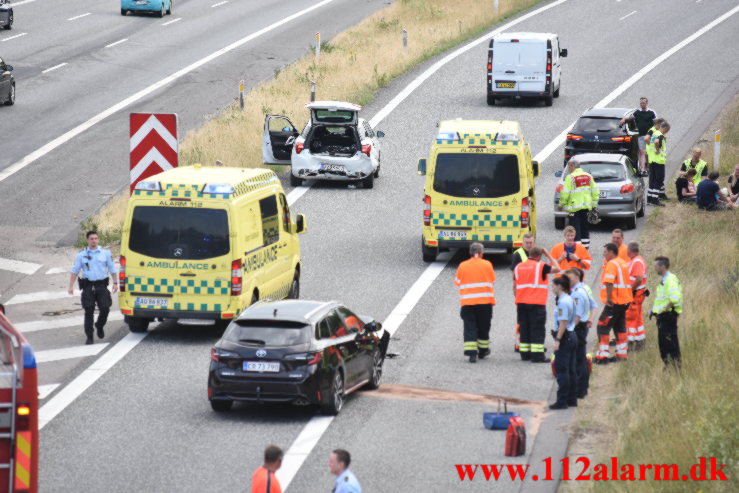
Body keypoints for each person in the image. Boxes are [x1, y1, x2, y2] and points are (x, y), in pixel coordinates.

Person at [68, 231, 118, 345]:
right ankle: (89, 336)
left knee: (105, 308)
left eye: (96, 238)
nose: (94, 241)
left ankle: (99, 325)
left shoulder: (105, 253)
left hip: (101, 285)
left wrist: (115, 283)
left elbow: (112, 268)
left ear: (98, 240)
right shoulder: (81, 255)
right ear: (87, 240)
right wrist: (70, 286)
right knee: (88, 311)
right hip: (88, 286)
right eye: (91, 239)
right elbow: (75, 271)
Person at [514, 246, 560, 363]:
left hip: (521, 302)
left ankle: (525, 354)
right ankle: (537, 356)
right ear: (539, 256)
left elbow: (515, 284)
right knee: (537, 329)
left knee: (524, 328)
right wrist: (548, 254)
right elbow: (557, 268)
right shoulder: (541, 266)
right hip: (536, 303)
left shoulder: (518, 267)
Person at [454, 243, 495, 363]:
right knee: (484, 327)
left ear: (470, 253)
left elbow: (457, 282)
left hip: (468, 303)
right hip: (485, 303)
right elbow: (492, 280)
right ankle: (483, 351)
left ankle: (472, 354)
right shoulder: (487, 264)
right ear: (481, 253)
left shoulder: (463, 265)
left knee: (469, 327)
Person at [595, 243, 633, 364]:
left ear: (611, 252)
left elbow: (609, 282)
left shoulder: (611, 264)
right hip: (624, 301)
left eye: (605, 252)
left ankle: (603, 356)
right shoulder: (622, 262)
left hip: (615, 302)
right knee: (619, 326)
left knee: (602, 325)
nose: (603, 254)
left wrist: (609, 298)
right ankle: (622, 354)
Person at [565, 268, 597, 399]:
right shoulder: (583, 289)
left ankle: (580, 389)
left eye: (570, 279)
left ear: (576, 277)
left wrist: (570, 329)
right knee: (580, 358)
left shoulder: (577, 293)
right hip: (582, 327)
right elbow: (594, 305)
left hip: (578, 328)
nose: (568, 281)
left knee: (578, 359)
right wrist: (590, 319)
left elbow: (577, 315)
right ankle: (581, 388)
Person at [549, 276, 578, 410]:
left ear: (560, 286)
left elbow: (563, 322)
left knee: (561, 369)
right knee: (571, 369)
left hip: (565, 337)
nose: (552, 288)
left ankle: (562, 401)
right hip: (572, 335)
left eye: (554, 285)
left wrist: (558, 339)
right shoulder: (569, 299)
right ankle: (572, 399)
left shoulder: (563, 302)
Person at [559, 158, 599, 249]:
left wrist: (561, 205)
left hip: (574, 208)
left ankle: (577, 248)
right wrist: (594, 206)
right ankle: (585, 248)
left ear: (573, 166)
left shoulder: (571, 177)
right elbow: (595, 192)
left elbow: (565, 193)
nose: (569, 169)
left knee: (575, 228)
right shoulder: (588, 176)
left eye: (569, 167)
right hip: (586, 207)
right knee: (584, 227)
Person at [651, 257, 683, 368]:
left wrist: (664, 310)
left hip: (668, 316)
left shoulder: (670, 280)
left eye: (656, 266)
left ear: (662, 266)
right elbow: (662, 298)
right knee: (664, 343)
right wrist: (654, 311)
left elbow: (675, 298)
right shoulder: (665, 280)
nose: (654, 268)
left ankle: (674, 367)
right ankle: (669, 366)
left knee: (669, 343)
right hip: (664, 316)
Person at [511, 234, 535, 352]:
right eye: (527, 243)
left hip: (533, 292)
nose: (529, 245)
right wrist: (515, 291)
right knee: (521, 320)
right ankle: (518, 344)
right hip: (522, 292)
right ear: (523, 243)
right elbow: (514, 276)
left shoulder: (535, 253)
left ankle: (528, 342)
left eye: (531, 243)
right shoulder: (518, 255)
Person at [620, 97, 657, 173]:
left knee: (650, 152)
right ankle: (643, 168)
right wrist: (624, 119)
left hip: (650, 136)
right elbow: (631, 118)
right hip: (641, 136)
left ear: (647, 103)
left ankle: (650, 167)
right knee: (642, 152)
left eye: (643, 103)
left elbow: (656, 123)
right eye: (641, 103)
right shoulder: (637, 112)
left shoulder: (651, 113)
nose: (642, 104)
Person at [625, 242, 648, 351]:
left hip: (635, 294)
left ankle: (630, 343)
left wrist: (630, 290)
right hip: (638, 294)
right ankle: (640, 341)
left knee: (630, 318)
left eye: (627, 250)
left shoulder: (637, 261)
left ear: (630, 250)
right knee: (637, 318)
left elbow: (639, 278)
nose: (626, 252)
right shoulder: (636, 260)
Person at [646, 121, 670, 206]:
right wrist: (657, 150)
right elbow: (656, 142)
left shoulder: (655, 133)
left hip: (652, 160)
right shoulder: (660, 135)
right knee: (659, 180)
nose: (666, 132)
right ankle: (655, 200)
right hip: (658, 161)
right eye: (667, 130)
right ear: (665, 128)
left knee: (652, 180)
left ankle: (649, 199)